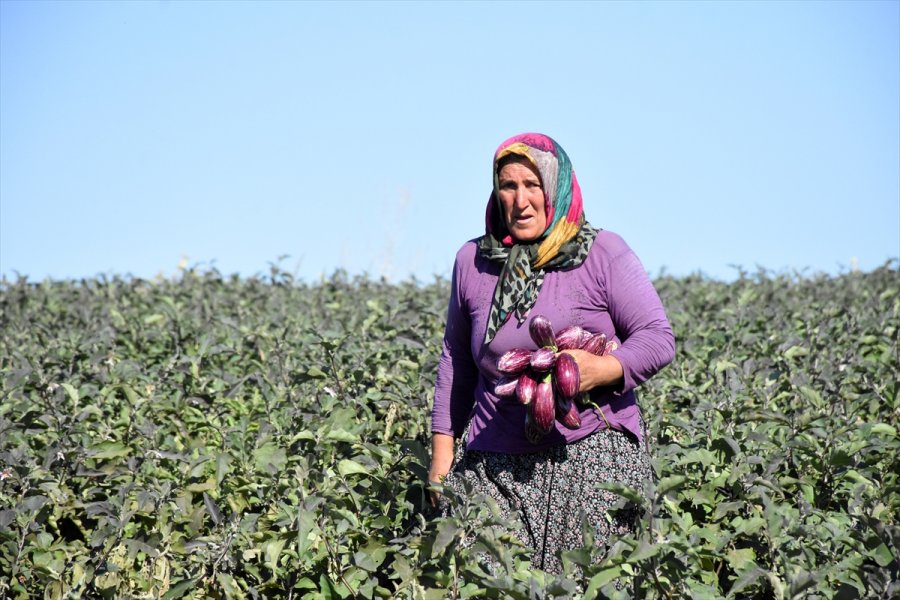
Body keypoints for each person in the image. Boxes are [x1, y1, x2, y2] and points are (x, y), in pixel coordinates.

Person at [428, 132, 676, 575]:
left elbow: (657, 338)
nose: (520, 200)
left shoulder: (602, 253)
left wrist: (601, 369)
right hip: (493, 462)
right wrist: (442, 459)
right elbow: (456, 363)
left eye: (533, 185)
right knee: (487, 583)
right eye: (508, 186)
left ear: (556, 189)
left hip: (590, 456)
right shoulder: (473, 261)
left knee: (586, 584)